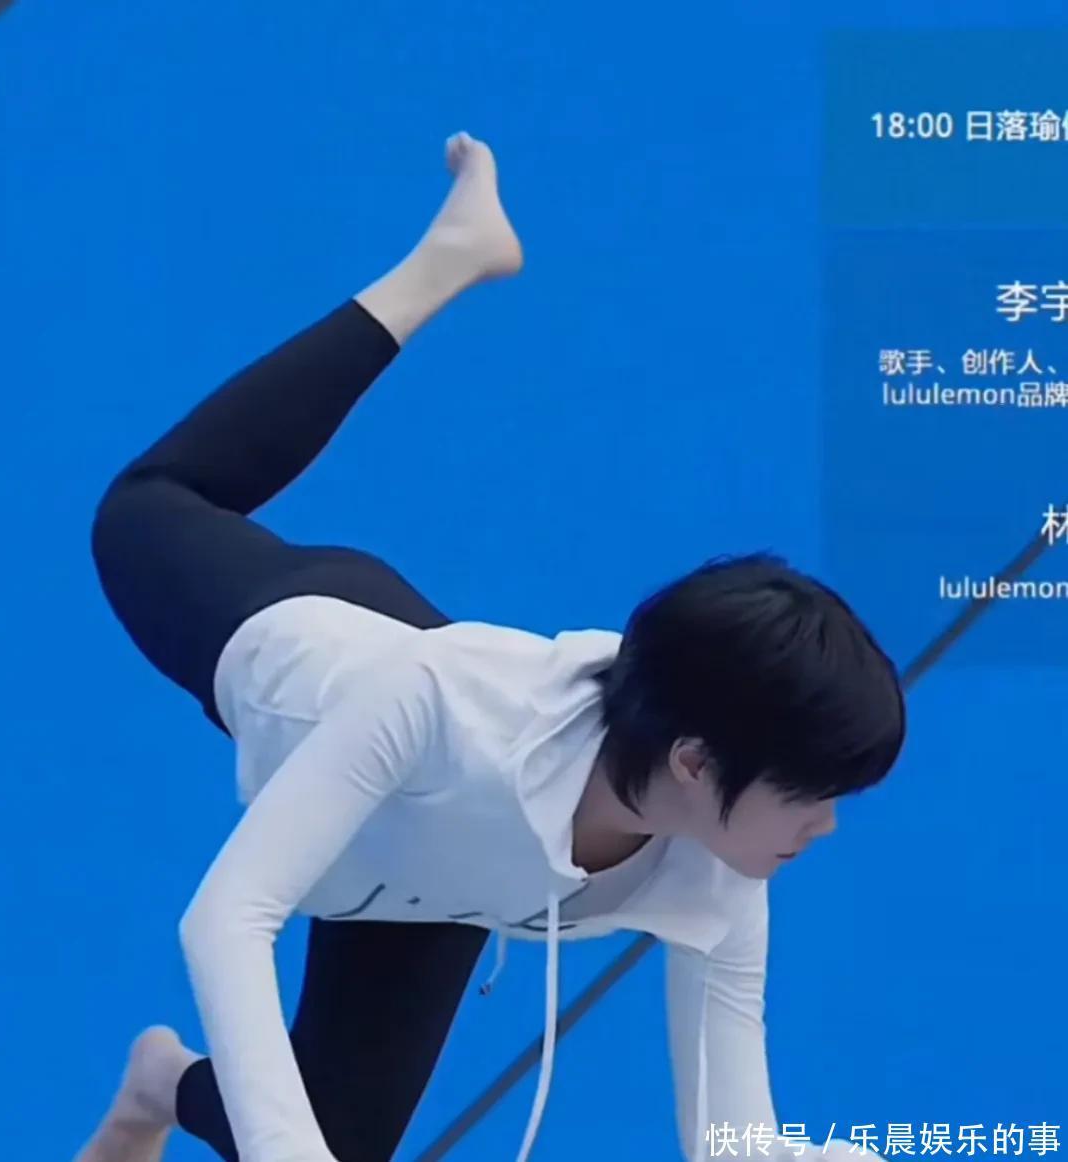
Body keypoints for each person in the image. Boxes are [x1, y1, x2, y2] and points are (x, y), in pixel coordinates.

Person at [75, 132, 906, 1162]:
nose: (826, 825)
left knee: (344, 1138)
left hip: (439, 870)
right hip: (331, 671)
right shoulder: (432, 704)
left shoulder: (725, 865)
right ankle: (445, 260)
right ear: (696, 760)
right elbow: (228, 918)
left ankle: (158, 1080)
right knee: (143, 507)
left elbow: (732, 1145)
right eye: (812, 792)